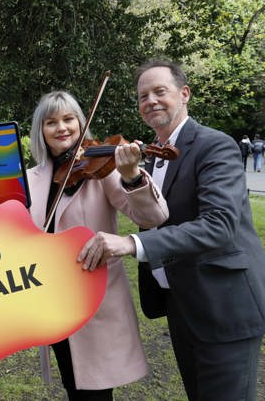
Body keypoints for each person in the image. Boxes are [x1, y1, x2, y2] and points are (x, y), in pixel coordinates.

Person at [78, 59, 265, 400]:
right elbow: (156, 215)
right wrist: (132, 177)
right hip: (182, 304)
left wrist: (132, 242)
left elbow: (218, 226)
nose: (150, 101)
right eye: (142, 96)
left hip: (223, 305)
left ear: (184, 94)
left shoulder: (215, 146)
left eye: (159, 91)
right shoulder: (150, 157)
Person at [27, 91, 169, 400]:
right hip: (53, 303)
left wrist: (131, 175)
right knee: (72, 384)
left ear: (81, 123)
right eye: (51, 122)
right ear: (41, 131)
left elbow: (153, 215)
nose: (62, 128)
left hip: (94, 301)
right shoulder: (32, 179)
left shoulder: (101, 171)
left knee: (95, 393)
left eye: (68, 119)